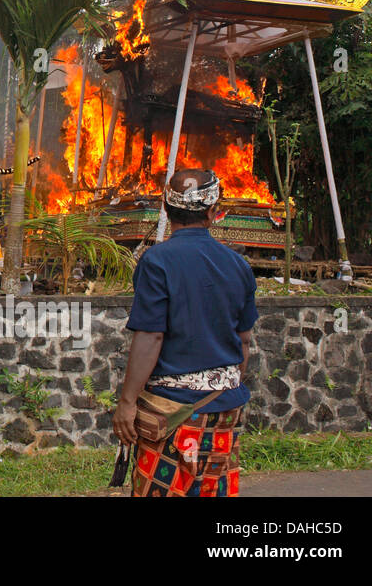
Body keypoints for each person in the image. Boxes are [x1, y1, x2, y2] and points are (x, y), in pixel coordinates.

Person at [112, 168, 258, 497]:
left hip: (172, 413)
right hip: (223, 410)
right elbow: (244, 341)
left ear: (165, 208)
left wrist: (127, 402)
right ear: (212, 212)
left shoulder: (156, 261)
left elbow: (151, 337)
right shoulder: (238, 265)